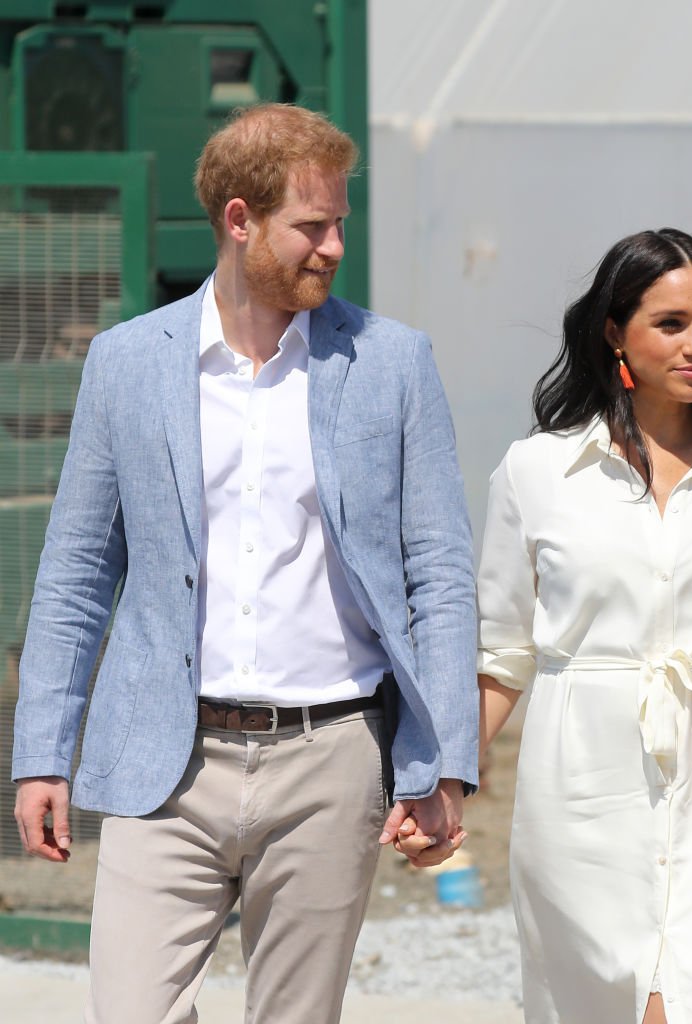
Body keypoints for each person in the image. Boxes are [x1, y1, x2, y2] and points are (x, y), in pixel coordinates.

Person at [12, 103, 477, 1024]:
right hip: (165, 759)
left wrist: (445, 765)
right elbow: (73, 575)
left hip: (333, 760)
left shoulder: (393, 363)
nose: (335, 245)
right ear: (239, 219)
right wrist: (39, 757)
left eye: (341, 222)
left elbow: (442, 574)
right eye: (313, 225)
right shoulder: (126, 363)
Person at [476, 228, 692, 1024]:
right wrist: (445, 779)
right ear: (615, 332)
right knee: (600, 1000)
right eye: (671, 324)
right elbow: (501, 652)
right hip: (580, 782)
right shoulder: (536, 473)